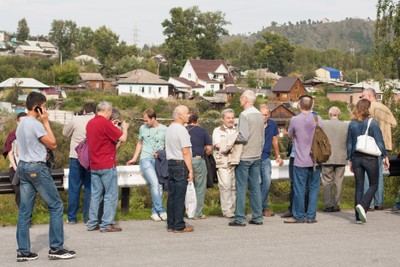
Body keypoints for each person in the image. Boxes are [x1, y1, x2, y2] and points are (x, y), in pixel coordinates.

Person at [15, 92, 75, 262]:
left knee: (25, 211)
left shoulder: (21, 124)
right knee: (55, 206)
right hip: (37, 167)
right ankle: (56, 248)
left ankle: (23, 251)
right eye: (45, 106)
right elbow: (53, 143)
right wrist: (46, 121)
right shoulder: (35, 124)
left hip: (23, 167)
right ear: (37, 107)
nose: (46, 109)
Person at [86, 101, 129, 232]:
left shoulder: (90, 123)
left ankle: (92, 222)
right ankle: (106, 224)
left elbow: (103, 141)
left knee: (96, 194)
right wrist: (125, 127)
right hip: (107, 163)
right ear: (108, 111)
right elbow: (123, 138)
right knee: (110, 194)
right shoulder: (104, 123)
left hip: (94, 164)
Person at [346, 99, 389, 223]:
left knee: (359, 186)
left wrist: (350, 160)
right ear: (368, 109)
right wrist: (385, 156)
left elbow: (349, 144)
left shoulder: (352, 124)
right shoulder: (373, 123)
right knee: (374, 184)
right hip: (370, 158)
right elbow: (380, 142)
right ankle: (363, 206)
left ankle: (358, 217)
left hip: (356, 158)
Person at [229, 90, 264, 227]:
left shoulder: (244, 115)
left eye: (240, 98)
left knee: (241, 187)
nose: (239, 101)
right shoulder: (260, 115)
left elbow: (243, 136)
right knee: (255, 187)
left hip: (244, 155)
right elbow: (262, 136)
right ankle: (257, 216)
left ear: (245, 99)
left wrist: (230, 139)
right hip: (256, 154)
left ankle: (240, 218)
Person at [285, 95, 322, 224]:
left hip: (300, 159)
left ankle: (299, 216)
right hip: (316, 159)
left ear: (299, 106)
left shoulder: (295, 120)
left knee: (299, 188)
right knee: (313, 188)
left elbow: (290, 134)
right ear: (312, 106)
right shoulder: (318, 119)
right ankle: (311, 216)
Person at [127, 109, 168, 222]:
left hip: (159, 160)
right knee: (154, 183)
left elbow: (168, 145)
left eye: (146, 121)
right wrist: (134, 158)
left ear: (153, 118)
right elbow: (140, 143)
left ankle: (154, 212)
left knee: (159, 185)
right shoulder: (142, 128)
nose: (145, 123)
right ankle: (161, 210)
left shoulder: (165, 129)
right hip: (146, 159)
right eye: (144, 121)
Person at [360, 88, 396, 210]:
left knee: (367, 174)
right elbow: (394, 124)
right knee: (379, 174)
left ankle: (368, 204)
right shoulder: (385, 108)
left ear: (370, 96)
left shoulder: (368, 107)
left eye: (363, 96)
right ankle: (379, 202)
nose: (361, 98)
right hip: (384, 145)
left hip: (371, 144)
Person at [63, 102, 96, 224]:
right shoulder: (96, 120)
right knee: (89, 187)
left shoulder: (76, 119)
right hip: (91, 158)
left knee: (74, 188)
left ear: (84, 110)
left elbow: (65, 133)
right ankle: (87, 217)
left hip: (75, 157)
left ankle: (72, 217)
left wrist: (76, 117)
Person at [165, 105, 194, 233]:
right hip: (180, 164)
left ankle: (171, 223)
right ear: (179, 115)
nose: (189, 115)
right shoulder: (181, 130)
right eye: (187, 113)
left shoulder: (169, 128)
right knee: (180, 196)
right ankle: (179, 225)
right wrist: (191, 170)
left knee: (172, 195)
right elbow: (185, 151)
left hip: (170, 163)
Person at [212, 109, 241, 218]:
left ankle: (233, 209)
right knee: (225, 186)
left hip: (235, 160)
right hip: (223, 161)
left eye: (232, 117)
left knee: (234, 186)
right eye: (228, 118)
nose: (230, 120)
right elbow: (219, 145)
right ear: (223, 119)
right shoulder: (217, 131)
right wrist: (232, 143)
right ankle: (226, 210)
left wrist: (228, 144)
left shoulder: (236, 130)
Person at [321, 106, 348, 212]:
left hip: (327, 157)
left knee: (327, 181)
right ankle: (336, 204)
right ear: (339, 114)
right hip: (341, 157)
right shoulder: (345, 125)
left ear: (329, 114)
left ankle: (328, 205)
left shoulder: (324, 124)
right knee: (339, 181)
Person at [186, 112, 212, 219]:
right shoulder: (203, 131)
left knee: (186, 187)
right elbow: (209, 149)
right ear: (197, 120)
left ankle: (186, 210)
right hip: (198, 159)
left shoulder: (183, 130)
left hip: (185, 160)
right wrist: (204, 152)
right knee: (200, 188)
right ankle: (197, 213)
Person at [259, 104, 283, 217]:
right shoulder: (255, 124)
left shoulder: (272, 124)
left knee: (267, 181)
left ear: (269, 114)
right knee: (257, 183)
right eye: (262, 114)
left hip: (266, 156)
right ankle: (263, 208)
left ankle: (260, 206)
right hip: (254, 157)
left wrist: (278, 156)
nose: (264, 117)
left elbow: (275, 141)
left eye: (266, 115)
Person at [2, 112, 27, 208]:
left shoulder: (30, 135)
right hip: (15, 167)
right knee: (19, 192)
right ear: (17, 122)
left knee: (27, 193)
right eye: (22, 121)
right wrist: (16, 168)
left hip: (28, 167)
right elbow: (10, 154)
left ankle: (26, 216)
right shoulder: (13, 135)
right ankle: (24, 216)